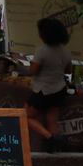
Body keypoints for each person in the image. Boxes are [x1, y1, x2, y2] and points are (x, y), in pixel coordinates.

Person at [25, 18, 72, 150]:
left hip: (42, 90)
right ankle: (54, 146)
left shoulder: (42, 50)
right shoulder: (65, 51)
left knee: (25, 116)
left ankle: (49, 137)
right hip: (59, 89)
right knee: (52, 120)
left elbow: (33, 71)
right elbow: (68, 70)